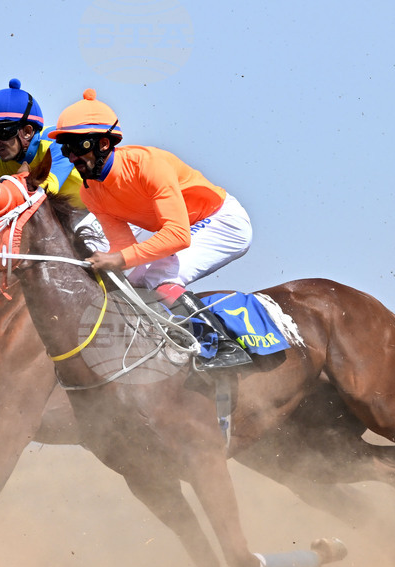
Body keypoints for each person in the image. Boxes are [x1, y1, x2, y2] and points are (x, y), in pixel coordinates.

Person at [48, 88, 253, 369]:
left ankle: (223, 347)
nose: (72, 157)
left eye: (79, 147)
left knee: (159, 278)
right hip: (185, 229)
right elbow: (123, 246)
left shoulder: (149, 166)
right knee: (131, 284)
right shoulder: (90, 193)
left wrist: (117, 259)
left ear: (104, 143)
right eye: (66, 149)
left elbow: (178, 236)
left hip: (222, 221)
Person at [0, 78, 85, 209]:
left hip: (92, 212)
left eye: (2, 133)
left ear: (27, 131)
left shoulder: (58, 143)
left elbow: (45, 190)